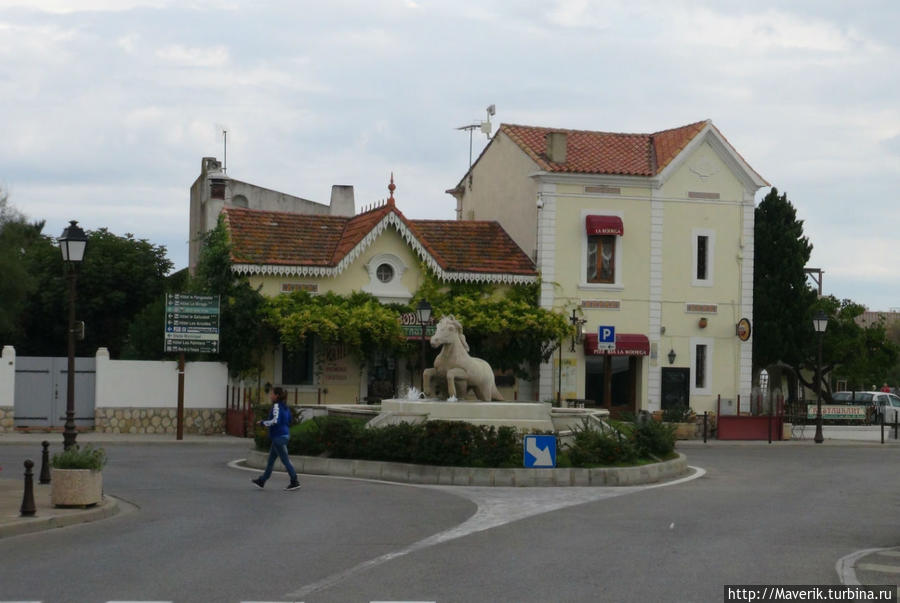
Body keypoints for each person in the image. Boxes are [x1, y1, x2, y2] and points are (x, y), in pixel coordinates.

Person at [251, 386, 300, 491]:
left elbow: (275, 420)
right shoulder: (285, 407)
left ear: (277, 396)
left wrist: (263, 423)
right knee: (271, 461)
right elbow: (289, 420)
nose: (270, 396)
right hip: (282, 436)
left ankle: (294, 481)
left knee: (285, 460)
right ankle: (262, 481)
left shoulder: (276, 406)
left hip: (279, 437)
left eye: (272, 394)